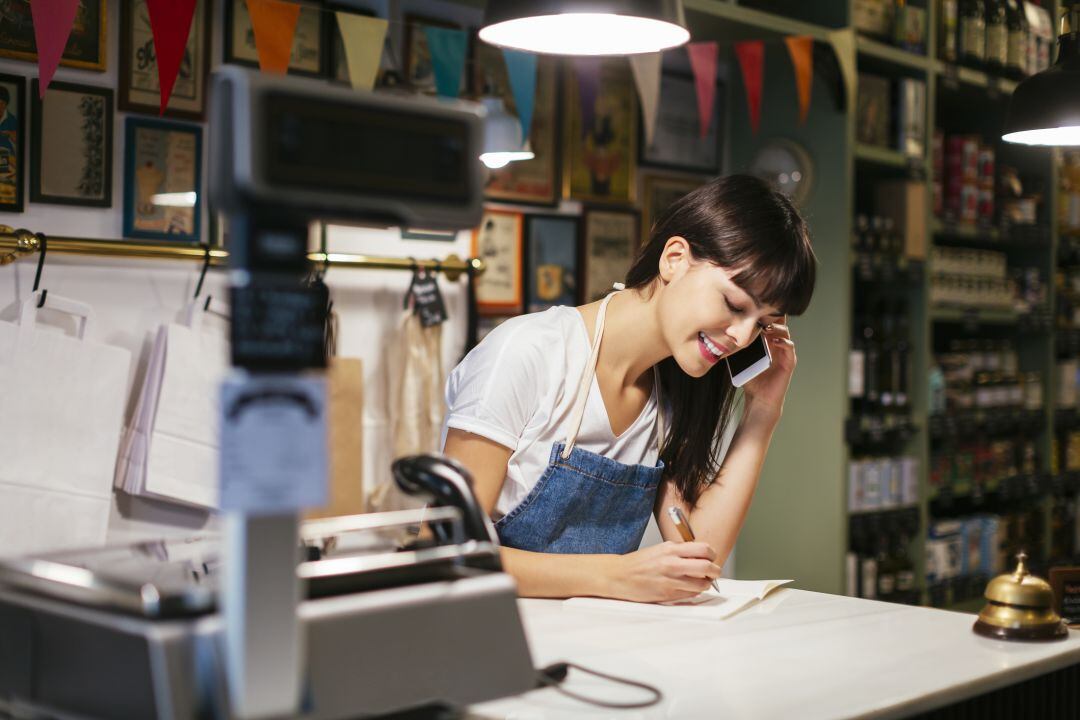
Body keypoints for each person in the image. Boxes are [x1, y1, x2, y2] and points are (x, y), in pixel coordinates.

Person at [440, 175, 817, 603]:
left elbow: (701, 552)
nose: (742, 336)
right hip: (498, 645)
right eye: (735, 305)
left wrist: (763, 412)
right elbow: (451, 554)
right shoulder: (526, 353)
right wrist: (614, 576)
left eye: (763, 322)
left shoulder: (673, 394)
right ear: (674, 258)